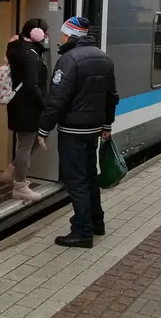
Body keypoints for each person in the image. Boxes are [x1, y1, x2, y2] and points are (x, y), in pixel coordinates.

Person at [37, 16, 118, 248]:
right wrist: (107, 125)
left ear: (71, 36)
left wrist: (44, 128)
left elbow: (56, 100)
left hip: (72, 130)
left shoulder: (69, 60)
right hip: (92, 130)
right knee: (90, 176)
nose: (61, 38)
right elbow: (112, 96)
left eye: (63, 34)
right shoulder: (104, 58)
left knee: (76, 181)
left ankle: (82, 232)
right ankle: (96, 222)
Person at [0, 18, 50, 201]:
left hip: (22, 104)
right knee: (26, 144)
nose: (47, 35)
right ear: (36, 33)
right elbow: (31, 84)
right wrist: (44, 104)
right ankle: (19, 185)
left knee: (33, 141)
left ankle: (12, 170)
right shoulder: (29, 54)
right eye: (45, 31)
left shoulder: (21, 48)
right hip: (28, 106)